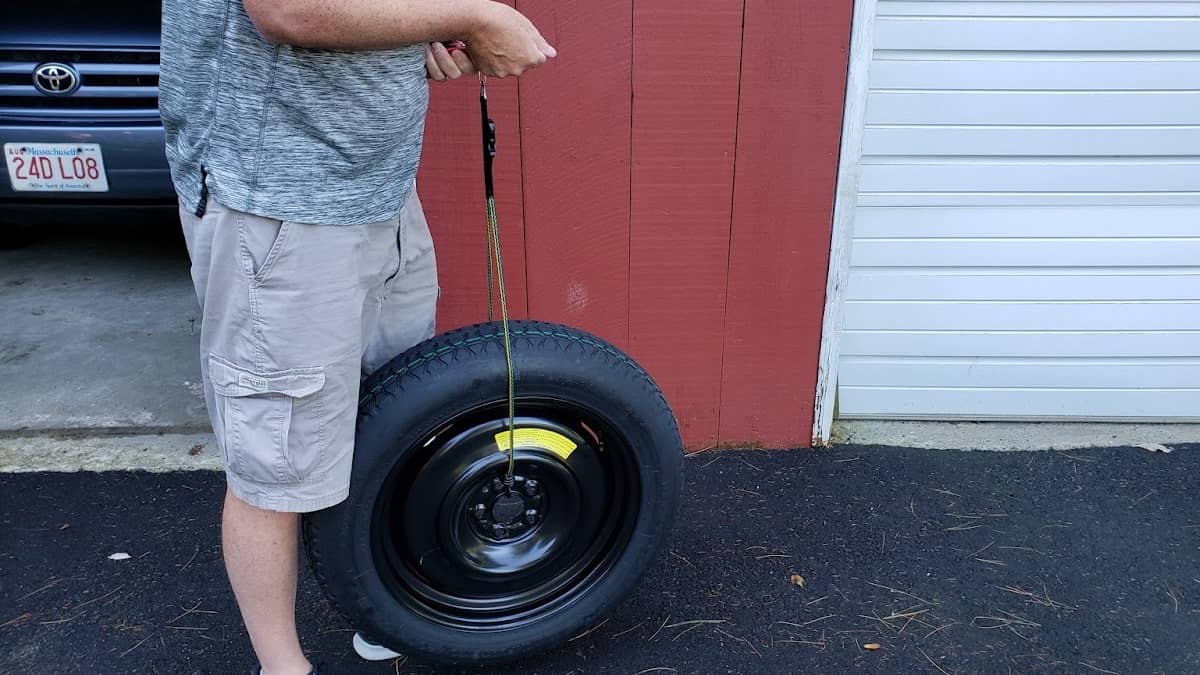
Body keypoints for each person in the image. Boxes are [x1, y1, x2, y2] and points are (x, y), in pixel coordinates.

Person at [158, 2, 556, 673]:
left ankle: (386, 609)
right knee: (275, 462)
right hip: (280, 201)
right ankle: (282, 666)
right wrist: (477, 16)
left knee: (393, 421)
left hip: (378, 187)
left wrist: (424, 31)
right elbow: (289, 11)